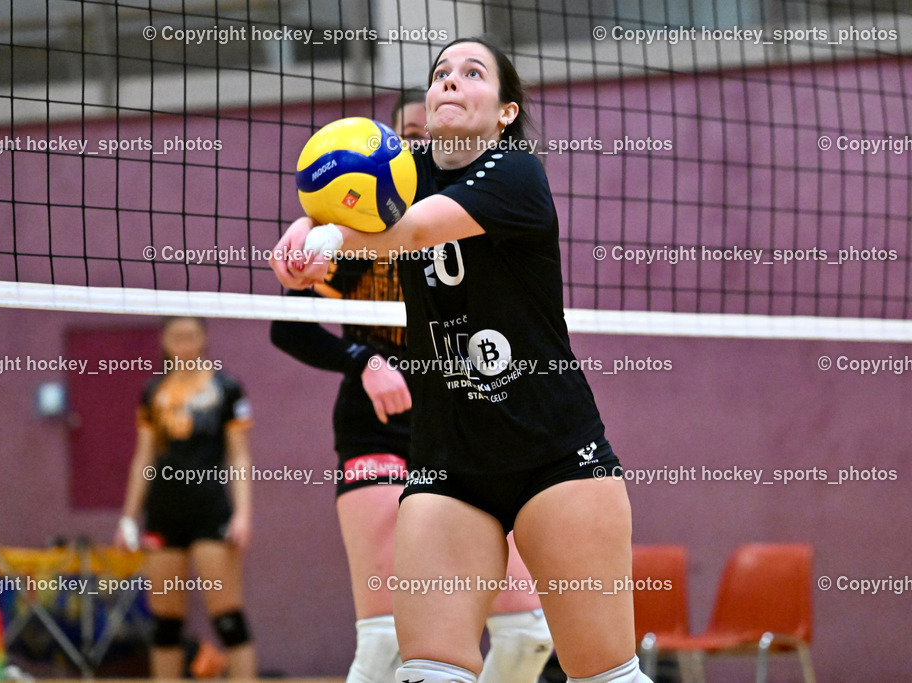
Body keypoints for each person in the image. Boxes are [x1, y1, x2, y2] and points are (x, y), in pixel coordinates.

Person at [271, 37, 651, 683]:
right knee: (426, 670)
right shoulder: (408, 169)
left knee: (602, 674)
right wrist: (304, 230)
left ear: (504, 110)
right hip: (448, 462)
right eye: (440, 72)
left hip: (554, 456)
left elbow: (414, 231)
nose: (449, 81)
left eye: (471, 73)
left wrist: (329, 236)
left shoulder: (515, 170)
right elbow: (338, 182)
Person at [269, 90, 553, 683]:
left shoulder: (481, 211)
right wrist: (363, 361)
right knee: (384, 644)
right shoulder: (351, 231)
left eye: (429, 136)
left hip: (465, 420)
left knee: (528, 635)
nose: (418, 146)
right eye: (407, 137)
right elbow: (287, 326)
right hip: (379, 422)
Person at [116, 317, 257, 678]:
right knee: (165, 620)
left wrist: (243, 514)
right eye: (176, 335)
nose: (184, 342)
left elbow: (239, 455)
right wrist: (128, 517)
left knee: (227, 615)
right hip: (163, 512)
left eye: (191, 335)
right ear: (163, 340)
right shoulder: (152, 392)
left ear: (204, 338)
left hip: (211, 510)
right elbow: (143, 458)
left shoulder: (227, 388)